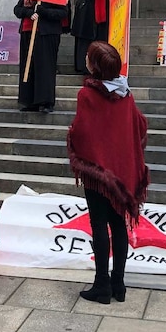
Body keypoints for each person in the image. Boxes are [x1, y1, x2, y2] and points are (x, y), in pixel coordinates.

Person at [66, 42, 149, 304]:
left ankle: (101, 284)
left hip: (98, 171)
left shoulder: (87, 95)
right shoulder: (127, 94)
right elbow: (139, 125)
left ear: (95, 66)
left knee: (99, 224)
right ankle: (119, 285)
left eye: (89, 57)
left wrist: (72, 140)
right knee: (119, 225)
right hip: (122, 171)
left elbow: (82, 131)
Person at [14, 0, 68, 113]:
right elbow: (17, 10)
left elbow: (63, 12)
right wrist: (29, 12)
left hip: (47, 34)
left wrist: (43, 12)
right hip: (27, 32)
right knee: (28, 68)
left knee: (45, 68)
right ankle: (30, 101)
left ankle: (45, 101)